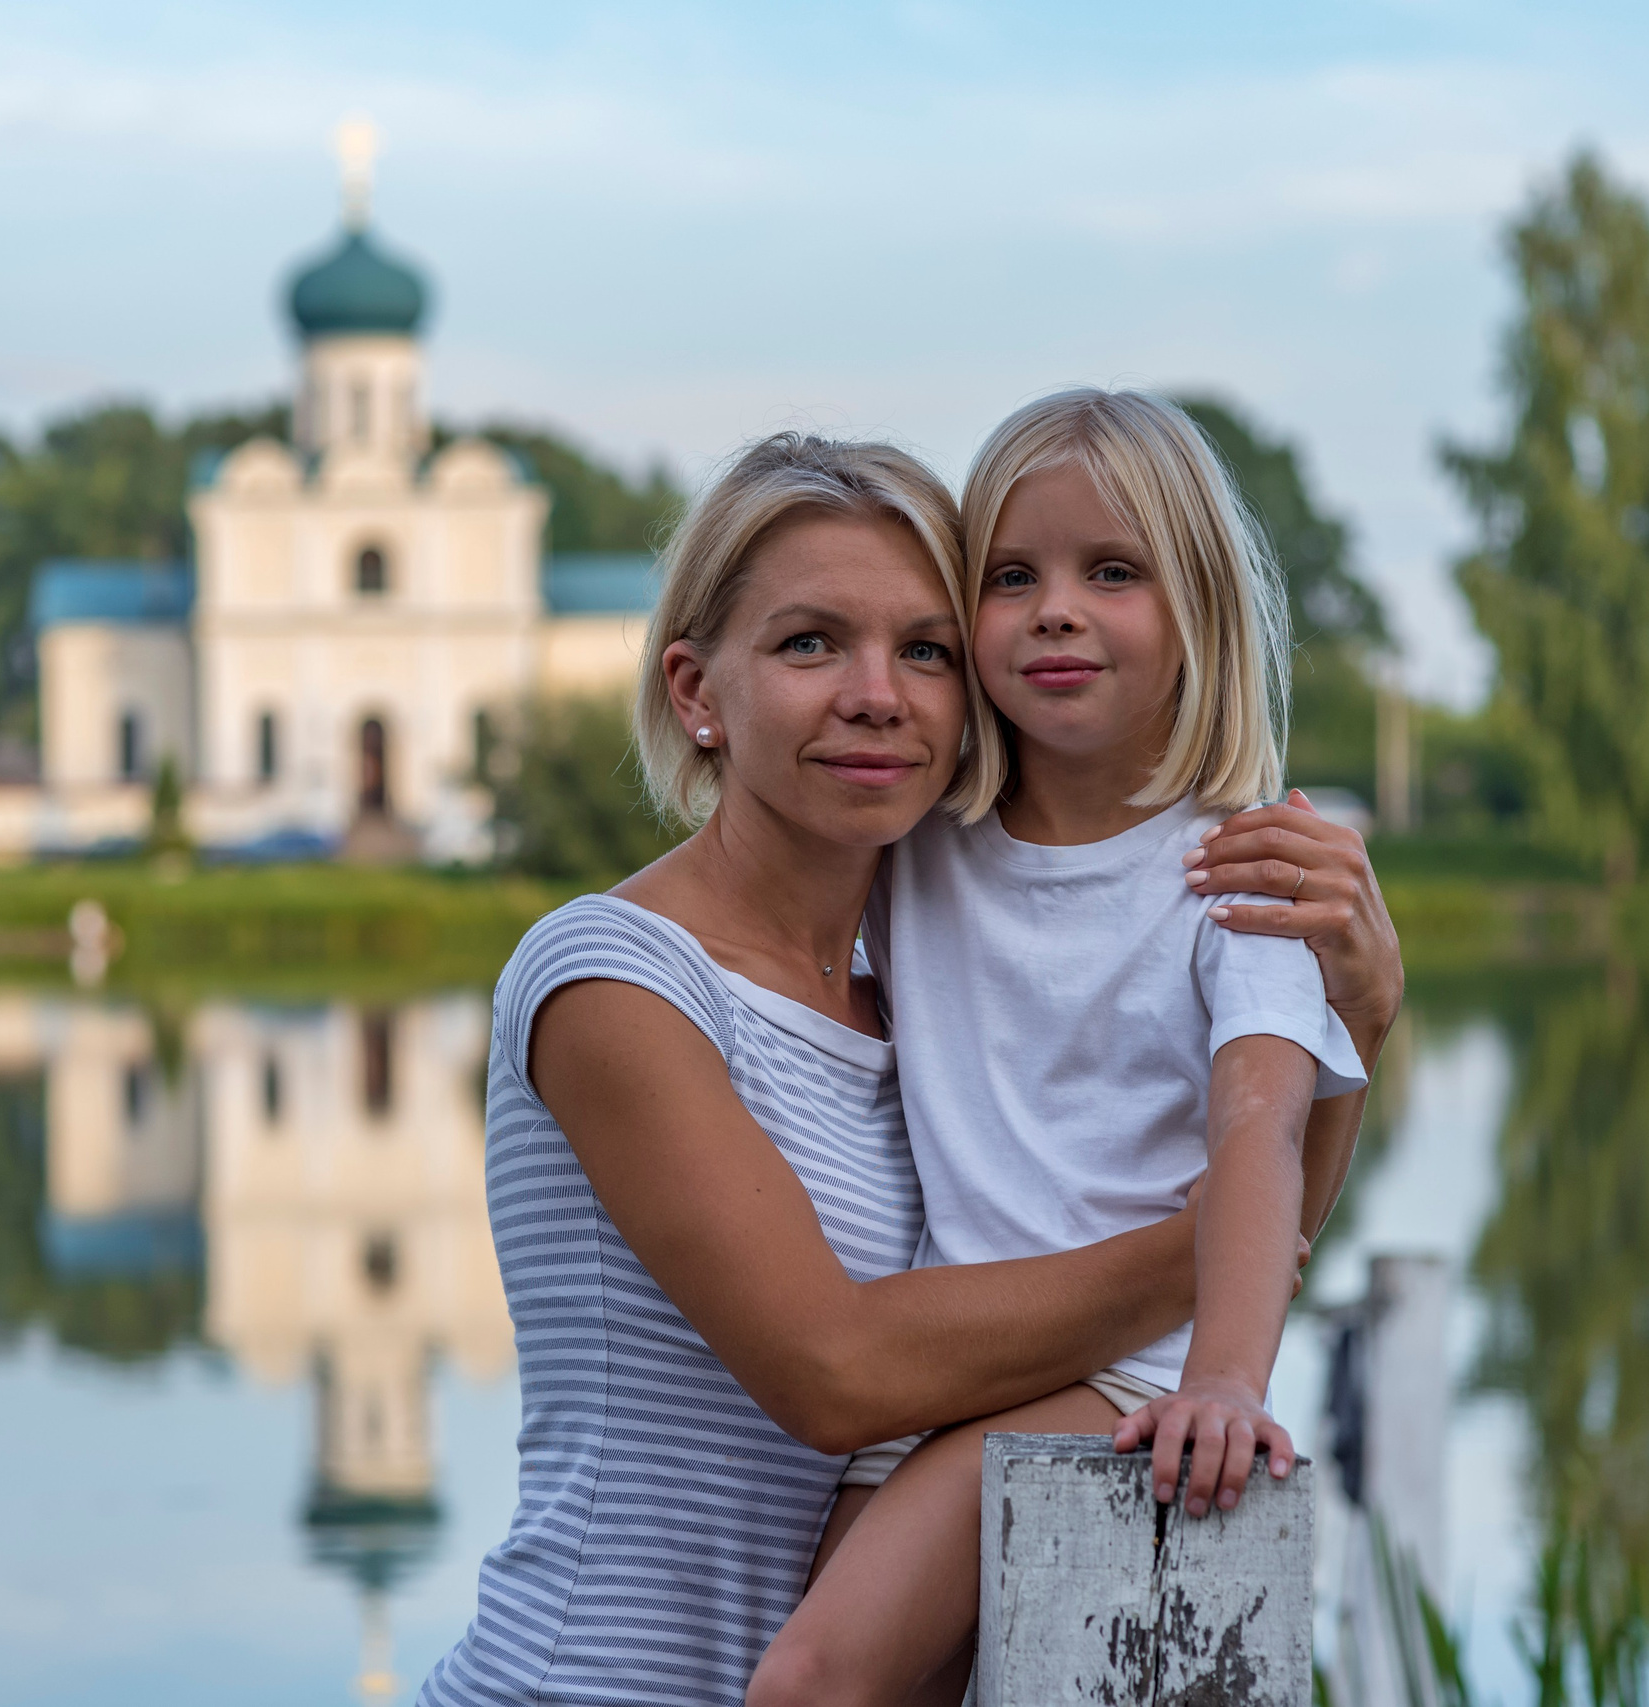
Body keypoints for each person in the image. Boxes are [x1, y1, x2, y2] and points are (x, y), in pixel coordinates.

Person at [415, 431, 1401, 1707]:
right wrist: (1204, 1253)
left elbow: (1238, 1201)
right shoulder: (615, 978)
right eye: (808, 642)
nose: (877, 693)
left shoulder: (930, 1002)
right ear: (694, 690)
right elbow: (836, 1372)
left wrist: (1355, 1029)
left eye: (924, 650)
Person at [749, 389, 1387, 1707]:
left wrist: (1225, 1375)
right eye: (1013, 574)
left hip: (1120, 1381)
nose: (1055, 608)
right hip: (949, 1366)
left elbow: (1259, 1126)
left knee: (808, 1682)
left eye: (1114, 572)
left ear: (1199, 607)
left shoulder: (1237, 869)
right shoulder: (924, 846)